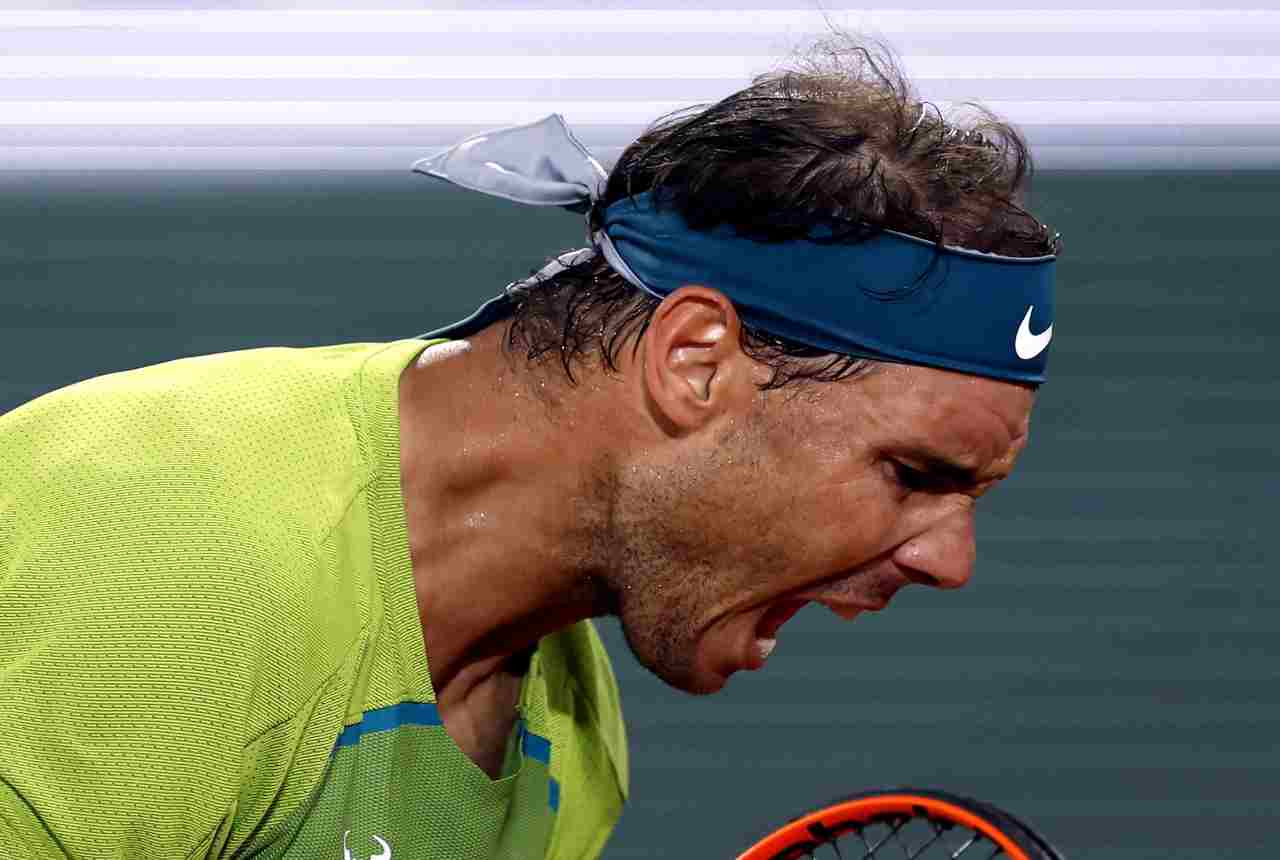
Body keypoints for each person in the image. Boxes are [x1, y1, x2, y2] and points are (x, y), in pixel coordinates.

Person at [0, 32, 1062, 860]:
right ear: (695, 362)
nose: (951, 560)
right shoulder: (175, 556)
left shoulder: (572, 745)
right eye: (913, 473)